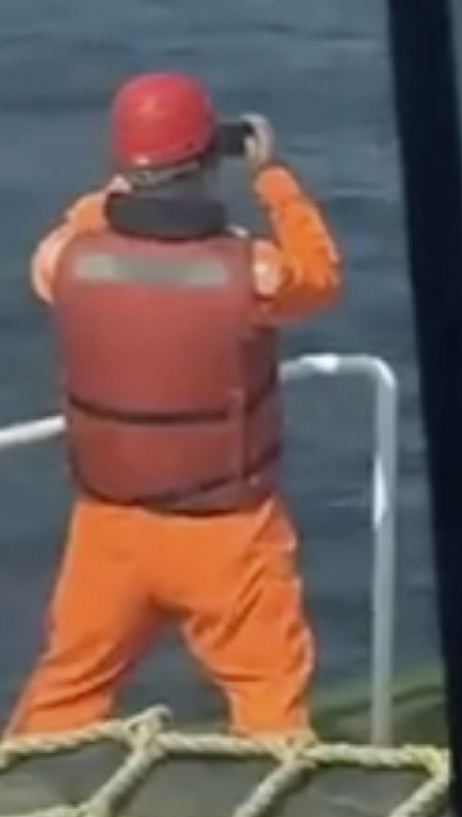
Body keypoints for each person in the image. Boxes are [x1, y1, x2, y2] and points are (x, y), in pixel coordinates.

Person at [8, 74, 342, 739]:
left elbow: (78, 226)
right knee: (269, 702)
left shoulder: (63, 260)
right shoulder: (253, 272)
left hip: (108, 527)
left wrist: (124, 184)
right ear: (205, 163)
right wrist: (271, 174)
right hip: (228, 532)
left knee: (64, 695)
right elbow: (321, 274)